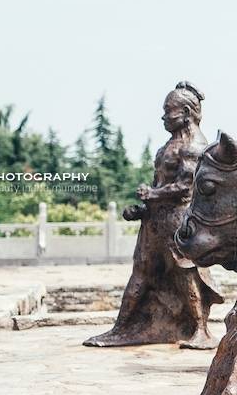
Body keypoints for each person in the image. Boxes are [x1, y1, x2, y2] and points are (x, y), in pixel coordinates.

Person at [85, 82, 223, 349]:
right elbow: (160, 185)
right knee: (141, 273)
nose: (163, 116)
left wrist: (152, 195)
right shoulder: (169, 145)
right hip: (154, 222)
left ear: (185, 112)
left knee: (186, 274)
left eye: (168, 110)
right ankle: (122, 328)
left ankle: (200, 330)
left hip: (179, 221)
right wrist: (142, 209)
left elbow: (186, 186)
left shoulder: (196, 146)